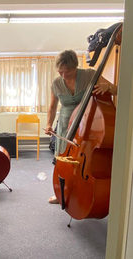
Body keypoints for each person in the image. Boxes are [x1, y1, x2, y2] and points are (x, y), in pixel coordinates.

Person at [45, 50, 117, 204]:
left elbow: (116, 89)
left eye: (68, 71)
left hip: (87, 124)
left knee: (83, 160)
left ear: (75, 67)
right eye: (60, 72)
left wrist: (108, 88)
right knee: (62, 159)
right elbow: (52, 107)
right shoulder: (56, 83)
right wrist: (49, 124)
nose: (64, 76)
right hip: (65, 126)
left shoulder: (90, 75)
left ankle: (82, 191)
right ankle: (60, 193)